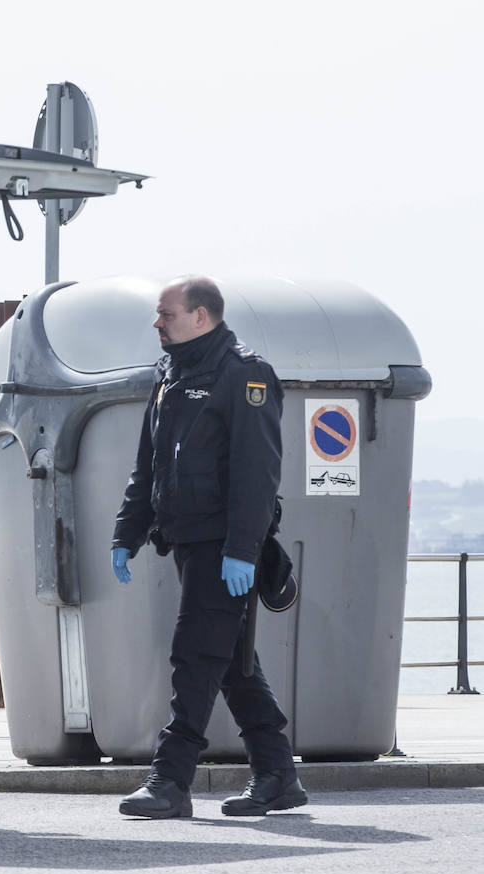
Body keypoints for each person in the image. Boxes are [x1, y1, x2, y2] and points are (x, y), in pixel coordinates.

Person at [111, 275, 308, 819]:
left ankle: (170, 782)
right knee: (232, 663)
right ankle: (277, 776)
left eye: (166, 314)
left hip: (225, 547)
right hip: (187, 542)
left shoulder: (245, 375)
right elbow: (148, 463)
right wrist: (127, 534)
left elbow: (258, 471)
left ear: (202, 316)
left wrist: (243, 549)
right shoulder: (171, 375)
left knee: (196, 655)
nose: (157, 322)